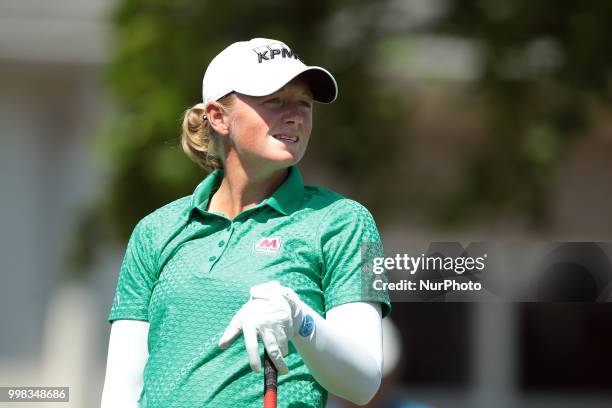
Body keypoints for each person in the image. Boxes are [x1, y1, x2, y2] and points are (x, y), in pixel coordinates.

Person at [100, 38, 391, 408]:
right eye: (274, 100)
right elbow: (121, 393)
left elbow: (363, 381)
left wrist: (299, 318)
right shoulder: (154, 231)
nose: (295, 115)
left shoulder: (349, 223)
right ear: (219, 117)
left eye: (303, 103)